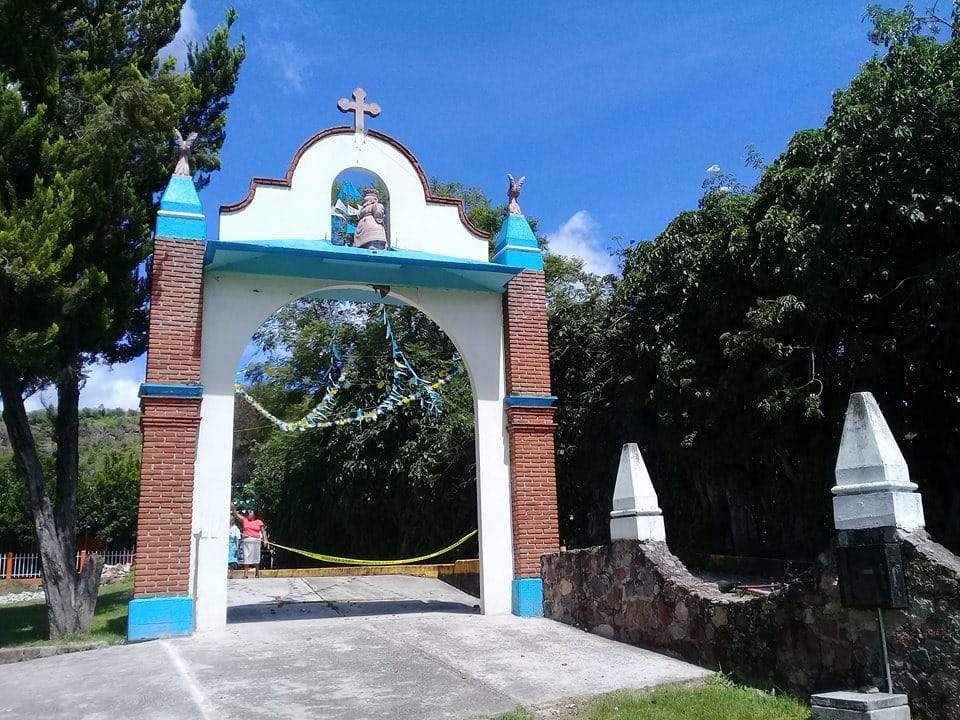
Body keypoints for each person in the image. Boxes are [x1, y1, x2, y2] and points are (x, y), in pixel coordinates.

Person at [231, 504, 269, 579]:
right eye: (248, 512)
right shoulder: (244, 520)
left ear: (254, 514)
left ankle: (257, 573)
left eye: (250, 512)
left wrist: (265, 539)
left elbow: (263, 531)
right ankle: (246, 574)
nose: (248, 514)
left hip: (256, 541)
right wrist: (233, 508)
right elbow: (236, 515)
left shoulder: (259, 521)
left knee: (256, 556)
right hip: (246, 541)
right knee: (246, 556)